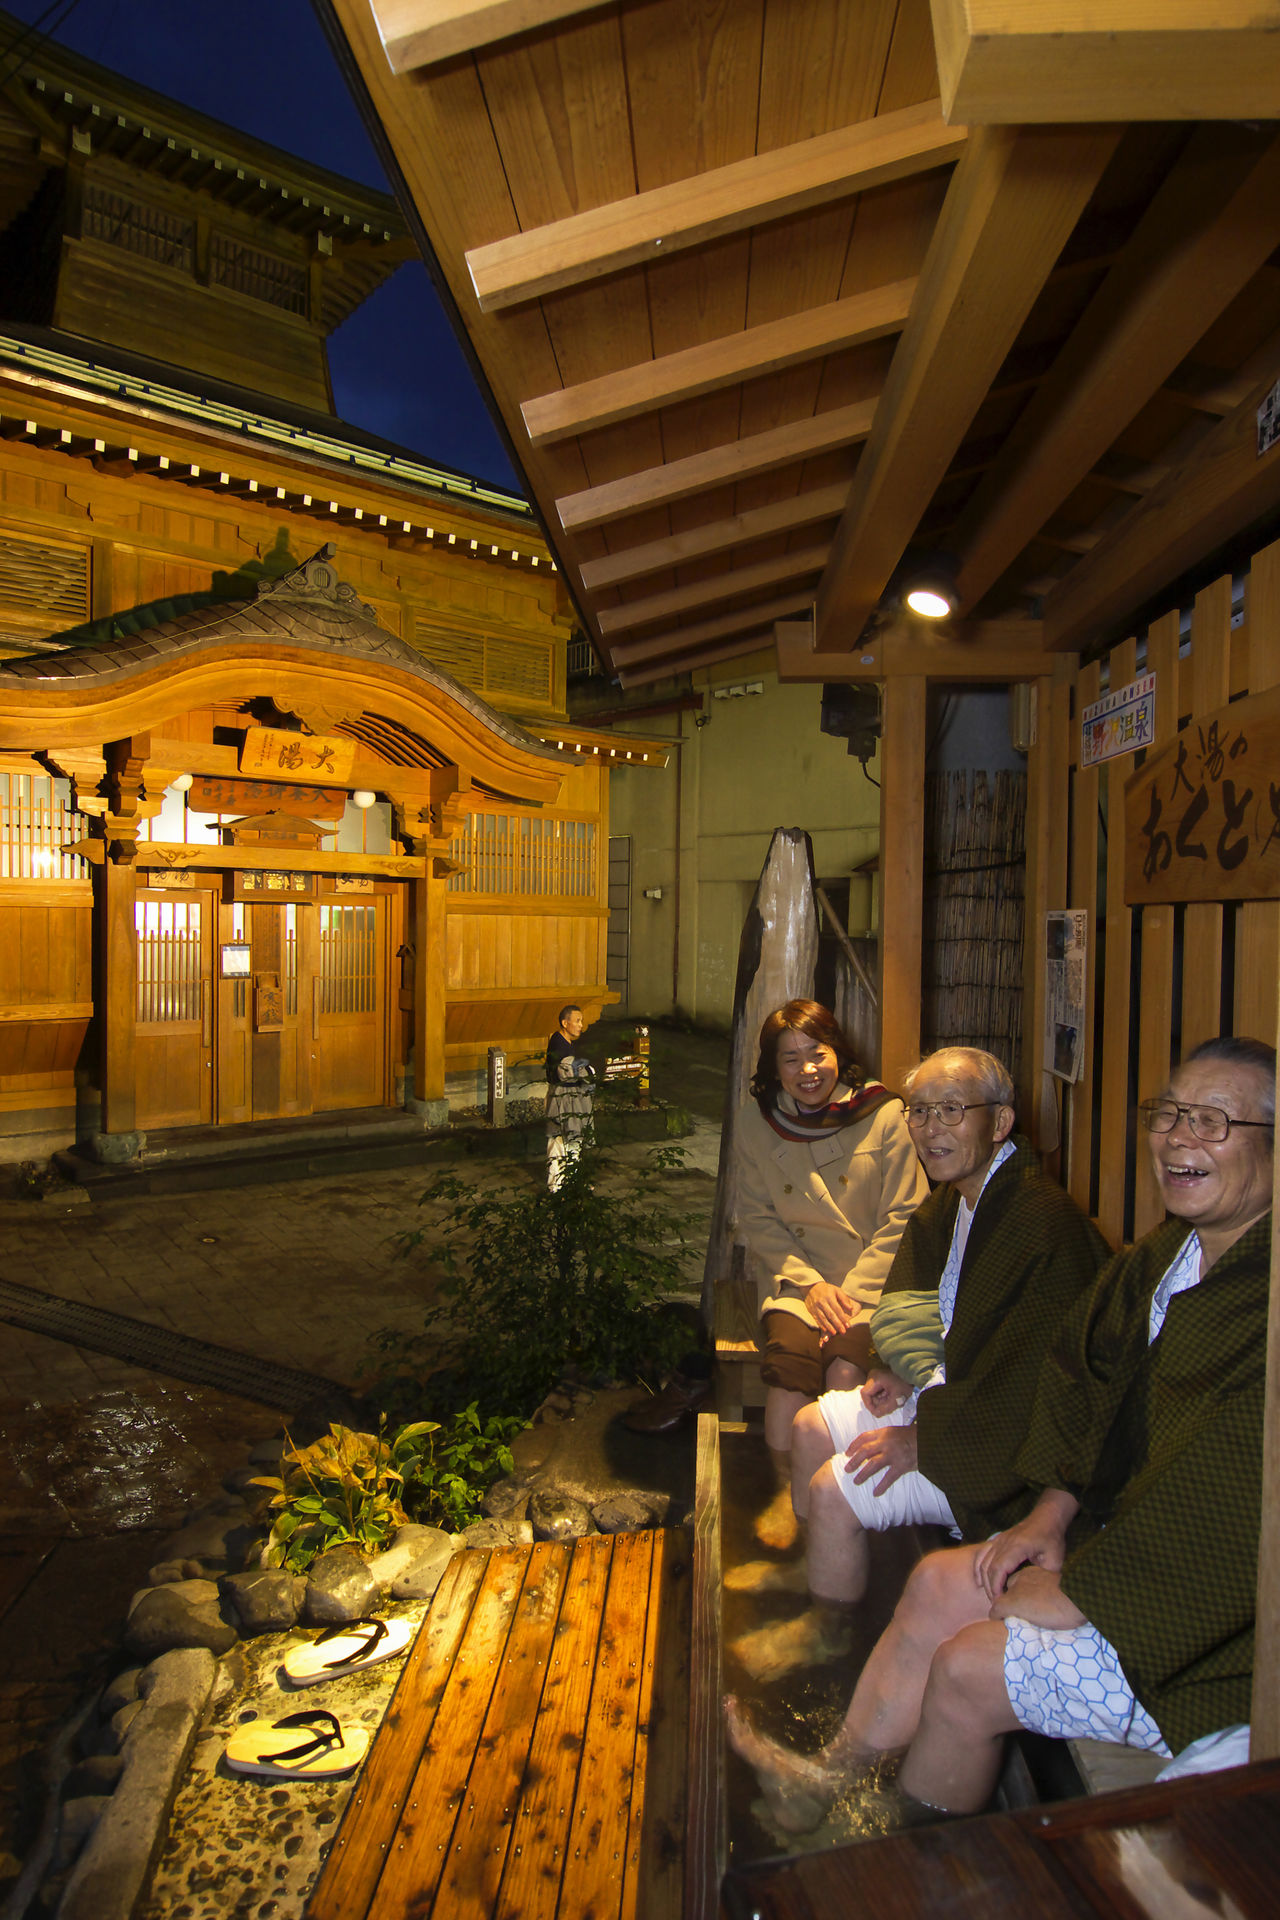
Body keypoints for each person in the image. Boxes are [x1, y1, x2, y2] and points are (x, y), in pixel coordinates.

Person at [726, 1035, 1275, 1835]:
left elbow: (1231, 1502)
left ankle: (908, 1840)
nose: (1180, 1138)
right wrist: (1050, 1512)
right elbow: (1076, 1378)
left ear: (1002, 1122)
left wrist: (1084, 1584)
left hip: (1193, 1625)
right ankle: (832, 1764)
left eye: (1214, 1121)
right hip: (1084, 1516)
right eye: (1170, 1114)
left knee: (964, 1666)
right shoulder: (1167, 1255)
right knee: (929, 1579)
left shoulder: (1054, 1228)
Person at [729, 1046, 1109, 1680]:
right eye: (921, 1111)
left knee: (832, 1491)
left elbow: (1034, 1387)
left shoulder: (1042, 1227)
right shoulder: (957, 1199)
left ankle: (830, 1633)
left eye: (952, 1110)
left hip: (999, 1448)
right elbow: (913, 1289)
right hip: (946, 1396)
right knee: (809, 1427)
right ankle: (811, 1567)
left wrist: (921, 1441)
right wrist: (894, 1367)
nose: (931, 1128)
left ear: (1001, 1121)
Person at [735, 1001, 928, 1571]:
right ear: (774, 1068)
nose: (807, 1069)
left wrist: (852, 1291)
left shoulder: (885, 1113)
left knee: (846, 1370)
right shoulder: (758, 1120)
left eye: (816, 1053)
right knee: (788, 1374)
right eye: (790, 1058)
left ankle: (840, 1508)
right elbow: (757, 1215)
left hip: (871, 1280)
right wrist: (811, 1285)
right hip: (799, 1278)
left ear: (837, 1051)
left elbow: (905, 1215)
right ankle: (785, 1493)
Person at [545, 1003, 593, 1190]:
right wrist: (589, 1071)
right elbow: (570, 1071)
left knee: (572, 1140)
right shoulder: (559, 1044)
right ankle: (556, 1187)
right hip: (562, 1098)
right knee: (559, 1141)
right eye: (577, 1021)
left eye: (582, 1021)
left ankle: (571, 1181)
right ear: (565, 1023)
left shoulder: (564, 1042)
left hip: (568, 1096)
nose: (581, 1025)